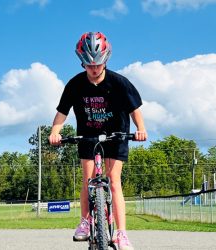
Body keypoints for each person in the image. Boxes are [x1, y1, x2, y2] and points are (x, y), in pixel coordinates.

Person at [49, 31, 147, 250]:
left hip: (116, 135)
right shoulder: (75, 85)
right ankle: (85, 222)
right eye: (89, 65)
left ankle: (121, 234)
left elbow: (134, 109)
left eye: (98, 64)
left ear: (106, 60)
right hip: (88, 135)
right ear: (82, 62)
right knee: (88, 179)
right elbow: (62, 112)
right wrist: (55, 131)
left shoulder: (119, 82)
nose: (94, 69)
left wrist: (141, 129)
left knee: (113, 181)